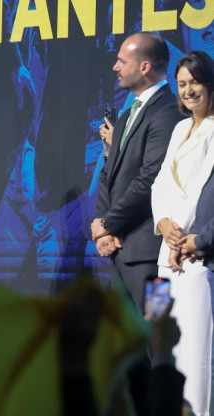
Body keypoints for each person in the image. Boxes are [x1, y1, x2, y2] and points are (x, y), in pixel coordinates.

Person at [92, 32, 184, 308]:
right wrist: (104, 229)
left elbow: (150, 180)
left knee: (156, 342)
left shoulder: (168, 111)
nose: (115, 67)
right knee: (125, 347)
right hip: (121, 251)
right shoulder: (128, 113)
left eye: (122, 61)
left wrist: (108, 224)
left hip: (149, 255)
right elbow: (109, 173)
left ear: (145, 67)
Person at [157, 50, 214, 416]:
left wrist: (191, 240)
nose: (188, 91)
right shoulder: (179, 128)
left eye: (195, 82)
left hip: (196, 258)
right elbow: (160, 184)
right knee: (162, 348)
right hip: (166, 258)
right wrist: (163, 224)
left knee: (195, 355)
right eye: (181, 84)